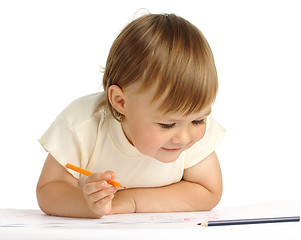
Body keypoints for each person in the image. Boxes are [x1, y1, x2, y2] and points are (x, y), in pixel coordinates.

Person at [36, 13, 226, 218]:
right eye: (167, 124)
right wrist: (84, 203)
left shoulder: (190, 127)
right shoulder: (83, 124)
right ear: (121, 102)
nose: (184, 137)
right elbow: (48, 189)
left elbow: (208, 191)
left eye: (198, 120)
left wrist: (131, 201)